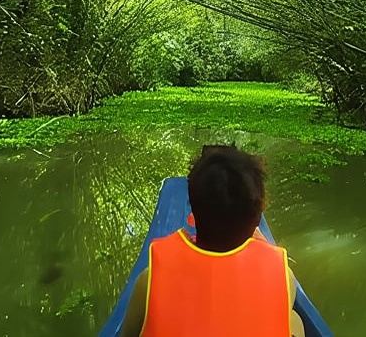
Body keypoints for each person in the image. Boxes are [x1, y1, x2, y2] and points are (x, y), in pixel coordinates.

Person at [121, 144, 305, 337]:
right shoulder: (283, 277)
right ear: (257, 219)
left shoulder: (149, 280)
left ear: (193, 213)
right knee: (295, 321)